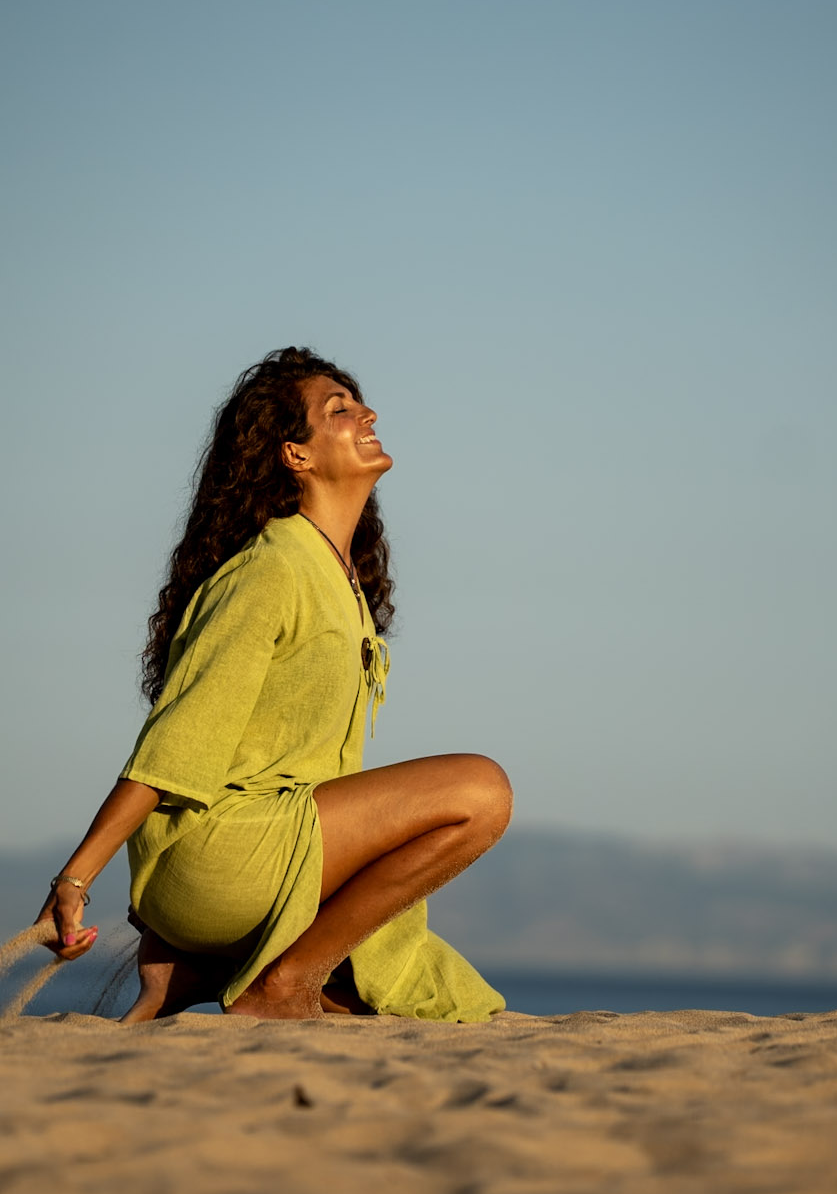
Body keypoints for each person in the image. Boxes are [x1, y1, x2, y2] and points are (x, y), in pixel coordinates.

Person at [34, 348, 511, 1021]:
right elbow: (173, 744)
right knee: (480, 791)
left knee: (442, 1000)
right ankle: (278, 984)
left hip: (275, 848)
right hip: (218, 852)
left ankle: (202, 967)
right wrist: (77, 877)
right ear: (295, 454)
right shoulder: (270, 571)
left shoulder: (340, 581)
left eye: (359, 402)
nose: (366, 414)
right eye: (338, 409)